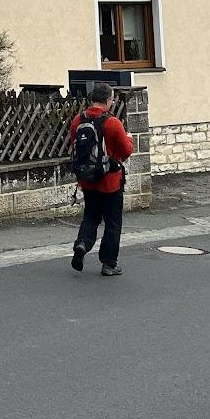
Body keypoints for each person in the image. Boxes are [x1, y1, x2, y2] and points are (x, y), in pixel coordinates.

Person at [69, 83, 134, 277]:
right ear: (107, 100)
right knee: (112, 222)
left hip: (88, 180)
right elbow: (126, 151)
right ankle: (108, 263)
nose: (113, 102)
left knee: (91, 216)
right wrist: (129, 138)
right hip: (110, 181)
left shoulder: (77, 120)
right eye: (112, 99)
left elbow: (75, 147)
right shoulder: (112, 122)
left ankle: (82, 244)